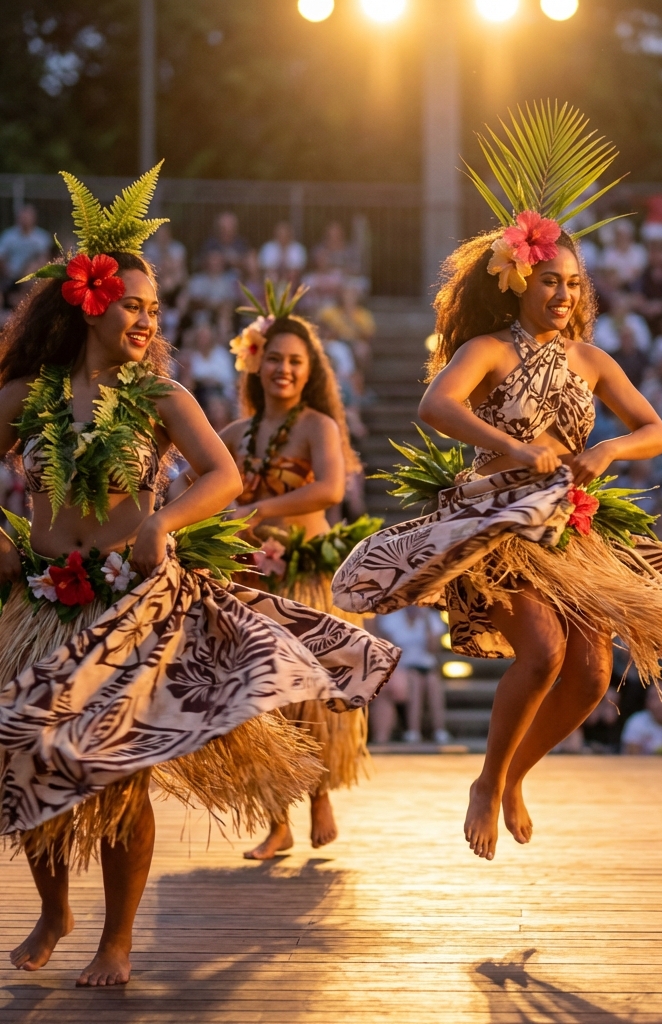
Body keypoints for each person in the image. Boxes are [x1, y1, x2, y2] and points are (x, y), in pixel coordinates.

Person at [0, 168, 397, 986]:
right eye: (132, 306)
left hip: (127, 609)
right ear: (88, 302)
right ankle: (52, 907)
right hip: (38, 601)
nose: (148, 320)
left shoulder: (160, 397)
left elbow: (218, 476)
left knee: (117, 772)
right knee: (26, 756)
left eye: (154, 308)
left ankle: (117, 938)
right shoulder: (26, 395)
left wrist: (160, 521)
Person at [332, 102, 662, 861]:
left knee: (590, 676)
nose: (563, 294)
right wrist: (513, 450)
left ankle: (515, 774)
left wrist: (609, 452)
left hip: (569, 524)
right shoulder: (490, 348)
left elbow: (658, 430)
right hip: (493, 524)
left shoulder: (591, 360)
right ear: (519, 281)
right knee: (545, 653)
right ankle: (489, 780)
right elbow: (436, 406)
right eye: (549, 281)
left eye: (572, 284)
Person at [215, 283, 377, 860]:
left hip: (308, 578)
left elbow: (329, 487)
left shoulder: (317, 427)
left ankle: (321, 793)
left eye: (295, 362)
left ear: (309, 372)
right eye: (276, 358)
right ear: (256, 362)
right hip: (254, 583)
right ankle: (277, 820)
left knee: (312, 695)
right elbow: (205, 488)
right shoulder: (235, 436)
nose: (283, 369)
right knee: (262, 698)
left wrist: (253, 510)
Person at [372, 607, 450, 744]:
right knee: (414, 680)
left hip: (425, 665)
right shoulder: (392, 618)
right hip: (402, 666)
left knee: (432, 681)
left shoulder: (430, 618)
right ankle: (413, 730)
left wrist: (426, 623)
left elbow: (433, 649)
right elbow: (389, 648)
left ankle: (439, 729)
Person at [0, 205, 51, 289]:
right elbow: (2, 258)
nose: (25, 220)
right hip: (10, 278)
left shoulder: (42, 238)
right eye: (22, 217)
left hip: (33, 279)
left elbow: (45, 259)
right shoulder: (8, 236)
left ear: (34, 218)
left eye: (27, 217)